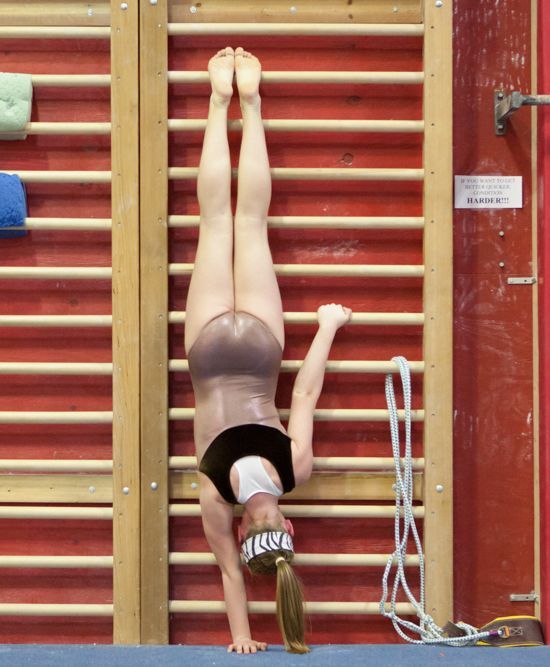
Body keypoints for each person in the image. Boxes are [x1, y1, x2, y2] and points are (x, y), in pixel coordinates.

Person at [186, 47, 353, 655]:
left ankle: (249, 102)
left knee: (249, 221)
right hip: (207, 351)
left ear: (288, 527)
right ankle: (219, 100)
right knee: (218, 222)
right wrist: (242, 639)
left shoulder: (294, 469)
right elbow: (230, 572)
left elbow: (305, 390)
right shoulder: (215, 496)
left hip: (259, 350)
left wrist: (328, 327)